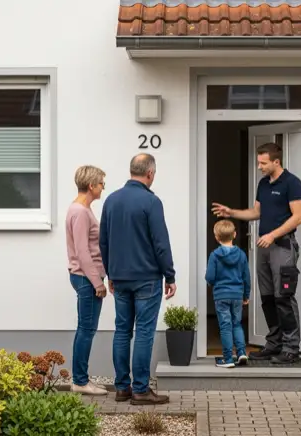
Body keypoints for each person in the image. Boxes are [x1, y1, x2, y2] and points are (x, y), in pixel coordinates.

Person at [211, 142, 301, 365]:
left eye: (263, 163)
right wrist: (231, 212)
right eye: (258, 162)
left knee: (284, 297)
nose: (259, 166)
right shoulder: (263, 184)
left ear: (276, 161)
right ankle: (274, 343)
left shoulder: (292, 183)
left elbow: (298, 217)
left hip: (282, 246)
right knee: (267, 298)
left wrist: (272, 234)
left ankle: (291, 348)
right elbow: (256, 212)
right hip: (265, 248)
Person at [99, 153, 176, 405]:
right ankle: (141, 390)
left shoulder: (111, 201)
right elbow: (161, 243)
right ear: (150, 173)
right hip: (146, 278)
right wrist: (170, 275)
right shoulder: (151, 202)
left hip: (120, 278)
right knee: (144, 332)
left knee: (122, 330)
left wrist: (110, 273)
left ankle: (122, 388)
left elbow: (104, 242)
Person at [65, 165, 109, 396]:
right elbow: (83, 251)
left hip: (84, 277)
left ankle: (81, 379)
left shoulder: (79, 209)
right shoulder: (81, 211)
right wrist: (98, 283)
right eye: (101, 183)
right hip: (86, 278)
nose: (103, 187)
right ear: (91, 186)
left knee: (85, 328)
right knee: (86, 329)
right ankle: (80, 381)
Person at [204, 219, 251, 369]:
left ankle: (228, 359)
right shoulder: (242, 255)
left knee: (225, 326)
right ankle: (242, 352)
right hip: (237, 295)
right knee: (236, 324)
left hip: (221, 296)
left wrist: (212, 282)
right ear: (235, 234)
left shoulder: (214, 255)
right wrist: (246, 295)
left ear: (216, 237)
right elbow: (246, 277)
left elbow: (210, 277)